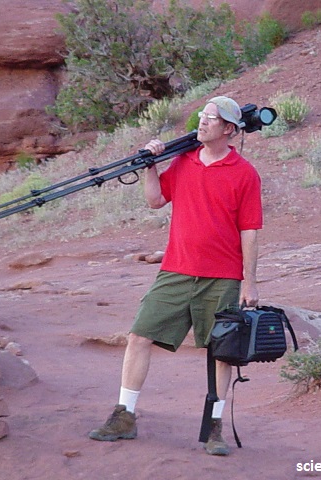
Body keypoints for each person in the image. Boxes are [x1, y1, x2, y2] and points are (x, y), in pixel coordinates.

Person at [89, 96, 262, 456]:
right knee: (139, 335)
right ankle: (124, 417)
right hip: (176, 270)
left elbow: (249, 230)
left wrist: (249, 282)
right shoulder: (184, 161)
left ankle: (214, 428)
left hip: (222, 277)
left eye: (211, 118)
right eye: (202, 116)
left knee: (221, 352)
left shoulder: (244, 173)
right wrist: (150, 165)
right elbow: (155, 200)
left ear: (228, 129)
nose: (202, 122)